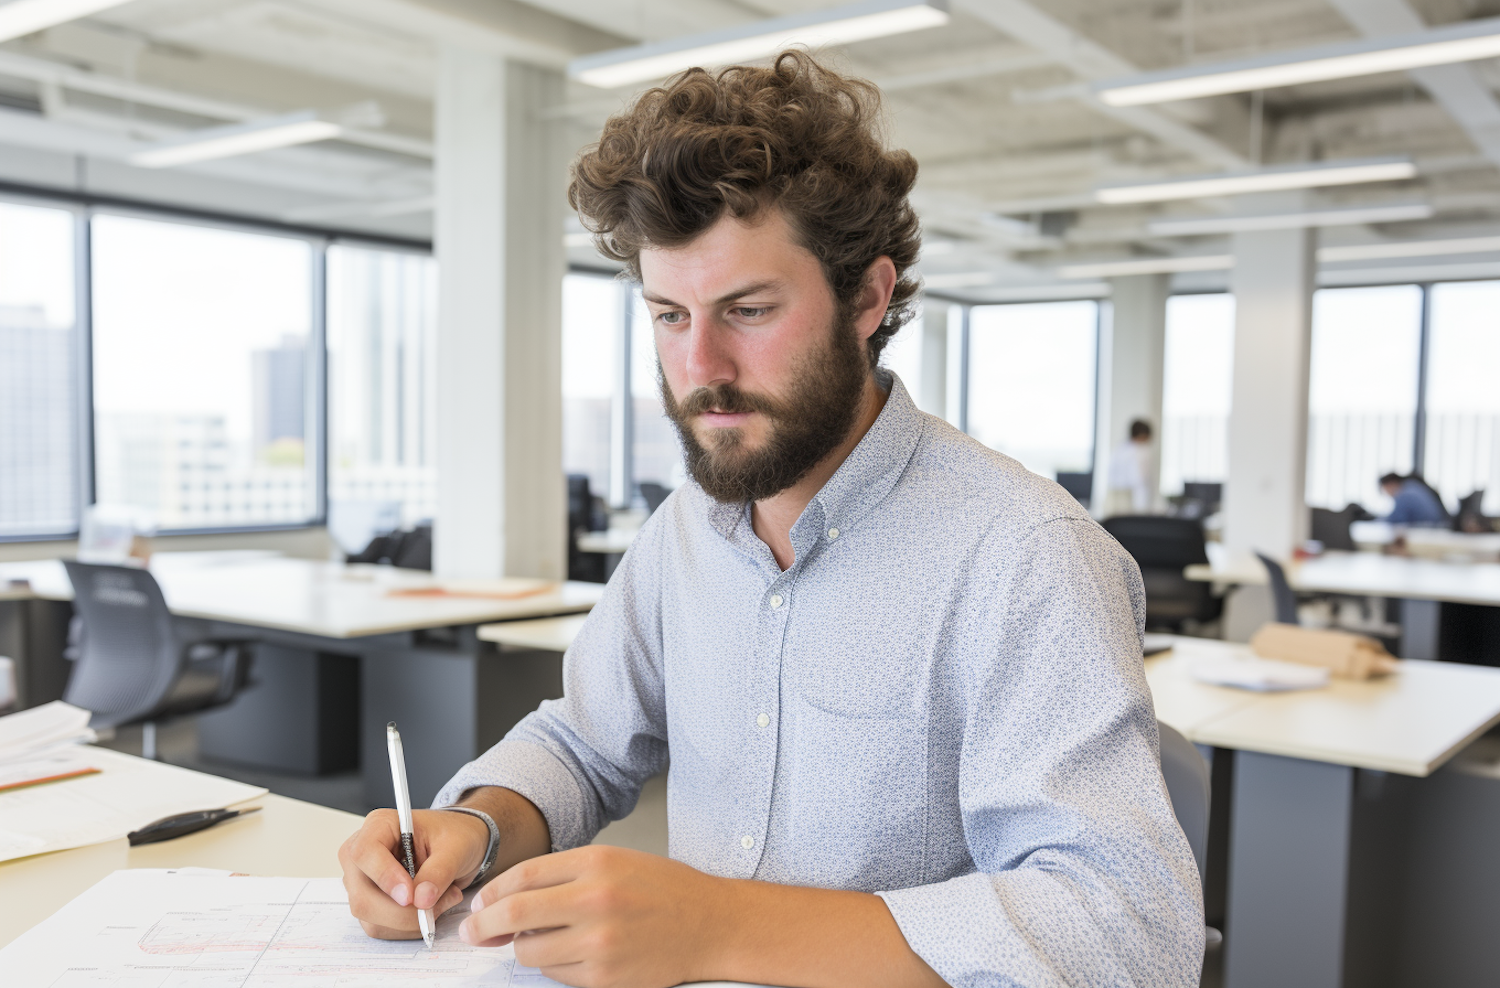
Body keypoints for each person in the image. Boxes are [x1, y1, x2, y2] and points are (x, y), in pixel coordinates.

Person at [339, 52, 1203, 988]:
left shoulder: (1026, 555)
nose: (701, 364)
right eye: (669, 316)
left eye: (747, 309)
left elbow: (1125, 933)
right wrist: (475, 824)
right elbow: (584, 741)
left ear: (867, 299)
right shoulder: (687, 531)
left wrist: (718, 927)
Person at [1105, 419, 1156, 516]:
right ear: (1142, 434)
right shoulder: (1143, 451)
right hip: (1137, 503)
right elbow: (1140, 480)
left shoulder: (1119, 449)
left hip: (1116, 502)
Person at [1379, 472, 1449, 528]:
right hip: (1437, 528)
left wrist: (1377, 521)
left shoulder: (1405, 494)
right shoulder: (1413, 486)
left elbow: (1396, 520)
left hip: (1428, 530)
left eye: (1386, 489)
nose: (1387, 494)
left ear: (1391, 484)